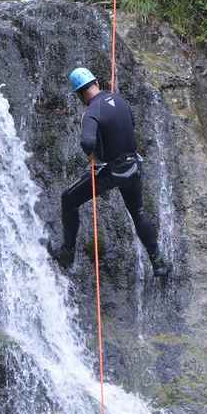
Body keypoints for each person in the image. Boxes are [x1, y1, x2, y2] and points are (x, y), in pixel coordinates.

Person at [47, 68, 170, 278]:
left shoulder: (92, 112)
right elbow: (131, 124)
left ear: (79, 93)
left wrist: (92, 154)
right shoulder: (120, 101)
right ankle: (158, 262)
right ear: (96, 82)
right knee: (138, 212)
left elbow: (87, 141)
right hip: (133, 167)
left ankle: (67, 253)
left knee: (68, 199)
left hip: (113, 171)